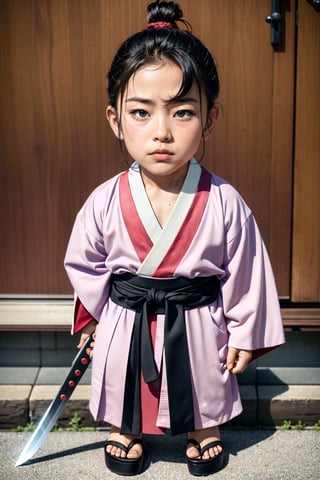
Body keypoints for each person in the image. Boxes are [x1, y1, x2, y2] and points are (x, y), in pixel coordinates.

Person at [64, 1, 285, 476]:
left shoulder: (225, 202)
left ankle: (204, 428)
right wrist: (95, 316)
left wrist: (245, 330)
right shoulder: (105, 199)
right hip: (129, 315)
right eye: (141, 112)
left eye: (182, 112)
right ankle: (127, 426)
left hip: (197, 317)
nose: (161, 132)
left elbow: (246, 271)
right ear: (114, 119)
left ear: (209, 119)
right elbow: (84, 262)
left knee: (202, 374)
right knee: (126, 377)